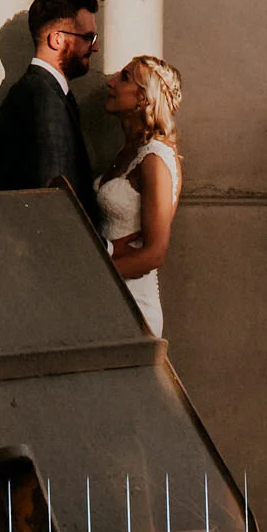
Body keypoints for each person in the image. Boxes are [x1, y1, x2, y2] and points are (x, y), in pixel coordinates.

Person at [97, 55, 183, 336]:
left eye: (124, 78)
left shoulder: (155, 159)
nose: (110, 83)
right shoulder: (128, 152)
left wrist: (92, 277)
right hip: (109, 295)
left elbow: (154, 254)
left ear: (145, 98)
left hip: (134, 302)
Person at [0, 0, 99, 196]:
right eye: (88, 37)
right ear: (57, 39)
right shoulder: (43, 100)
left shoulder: (42, 92)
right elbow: (55, 200)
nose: (96, 47)